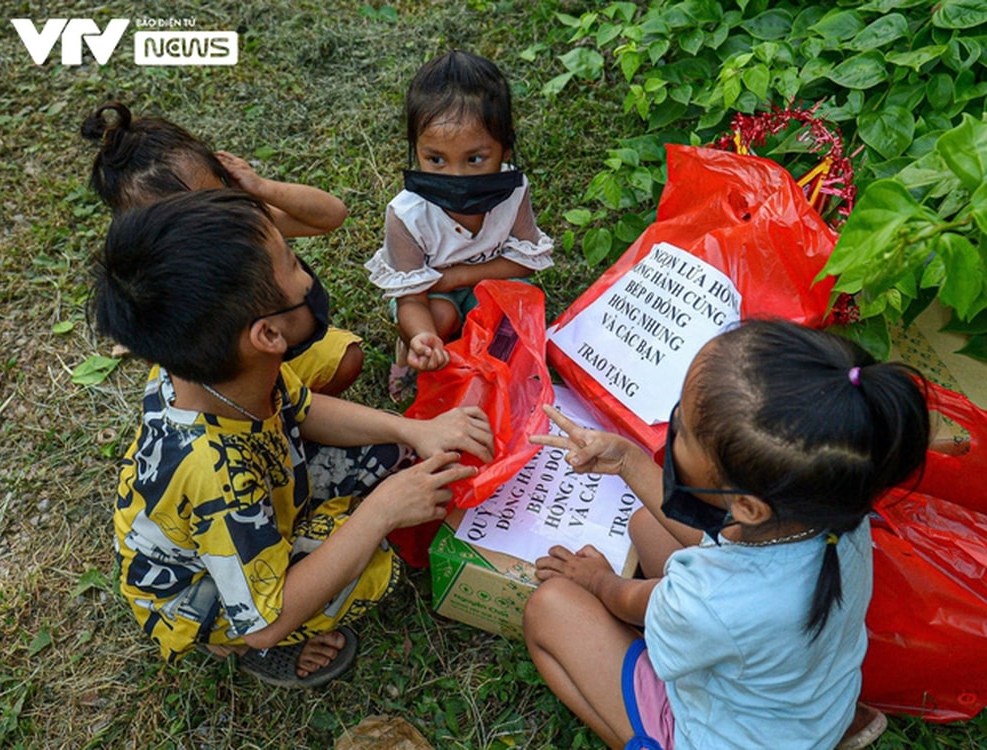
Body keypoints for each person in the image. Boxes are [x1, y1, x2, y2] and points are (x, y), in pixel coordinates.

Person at [90, 189, 495, 687]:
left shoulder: (218, 375)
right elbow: (266, 619)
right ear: (267, 335)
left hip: (264, 491)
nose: (307, 275)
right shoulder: (215, 475)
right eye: (292, 261)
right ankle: (224, 643)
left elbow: (303, 408)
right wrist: (382, 510)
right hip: (204, 593)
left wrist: (412, 429)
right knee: (365, 563)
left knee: (397, 454)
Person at [522, 319, 930, 749]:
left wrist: (598, 581)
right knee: (646, 524)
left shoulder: (707, 601)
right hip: (808, 710)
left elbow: (630, 602)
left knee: (549, 609)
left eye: (685, 431)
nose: (674, 426)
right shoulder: (834, 505)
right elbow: (723, 565)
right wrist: (626, 460)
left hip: (724, 736)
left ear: (749, 507)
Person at [81, 101, 362, 397]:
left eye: (216, 199)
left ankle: (303, 419)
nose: (213, 222)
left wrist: (263, 188)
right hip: (220, 378)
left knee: (346, 359)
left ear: (225, 181)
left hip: (276, 350)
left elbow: (332, 215)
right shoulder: (157, 279)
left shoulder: (243, 223)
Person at [364, 50, 554, 401]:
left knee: (511, 315)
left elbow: (529, 261)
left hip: (485, 282)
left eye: (475, 159)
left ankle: (479, 354)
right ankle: (408, 349)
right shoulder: (408, 215)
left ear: (506, 148)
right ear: (416, 150)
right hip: (429, 295)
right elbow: (411, 295)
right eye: (436, 160)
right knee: (440, 317)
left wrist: (458, 276)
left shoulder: (513, 191)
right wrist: (421, 335)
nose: (456, 177)